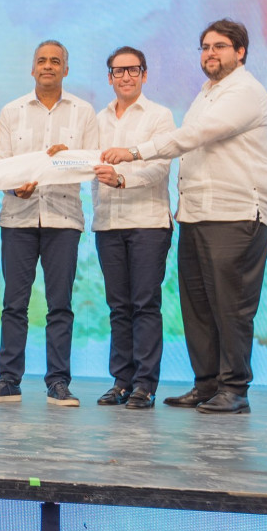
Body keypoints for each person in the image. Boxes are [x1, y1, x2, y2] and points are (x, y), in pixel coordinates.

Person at [102, 19, 267, 414]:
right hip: (197, 215)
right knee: (197, 306)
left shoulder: (246, 92)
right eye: (205, 47)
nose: (210, 53)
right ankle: (207, 383)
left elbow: (197, 136)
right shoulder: (205, 94)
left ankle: (235, 389)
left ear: (240, 52)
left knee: (231, 306)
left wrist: (135, 151)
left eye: (220, 46)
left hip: (235, 213)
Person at [0, 40, 99, 406]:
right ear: (32, 69)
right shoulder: (11, 111)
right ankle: (8, 380)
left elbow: (93, 164)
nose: (48, 66)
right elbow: (0, 164)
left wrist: (68, 158)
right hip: (19, 217)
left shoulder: (83, 112)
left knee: (60, 305)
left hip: (64, 218)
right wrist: (15, 186)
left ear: (66, 69)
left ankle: (58, 382)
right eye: (42, 61)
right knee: (14, 304)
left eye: (55, 61)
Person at [90, 46, 175, 410]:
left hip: (148, 223)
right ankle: (121, 381)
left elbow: (161, 166)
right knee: (118, 307)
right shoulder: (97, 120)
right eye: (118, 71)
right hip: (108, 223)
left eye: (133, 69)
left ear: (144, 74)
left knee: (145, 305)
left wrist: (122, 178)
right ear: (109, 77)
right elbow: (86, 164)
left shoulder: (160, 116)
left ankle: (144, 384)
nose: (125, 76)